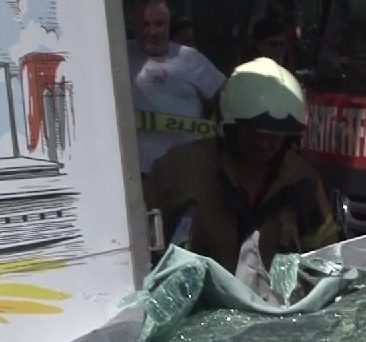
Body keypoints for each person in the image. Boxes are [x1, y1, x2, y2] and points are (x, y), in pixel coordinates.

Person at [143, 57, 338, 273]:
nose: (265, 144)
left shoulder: (302, 181)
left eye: (275, 135)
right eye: (255, 133)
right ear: (231, 128)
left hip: (269, 304)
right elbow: (138, 243)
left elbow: (326, 258)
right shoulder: (180, 170)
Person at [127, 0, 226, 175]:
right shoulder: (119, 55)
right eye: (145, 24)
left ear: (168, 25)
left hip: (187, 168)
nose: (152, 32)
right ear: (133, 25)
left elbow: (222, 96)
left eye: (159, 24)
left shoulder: (189, 57)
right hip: (138, 172)